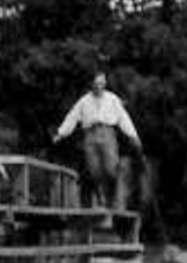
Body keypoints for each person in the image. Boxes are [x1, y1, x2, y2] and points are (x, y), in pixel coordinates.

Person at [52, 71, 142, 210]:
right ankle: (101, 198)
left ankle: (111, 198)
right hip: (90, 135)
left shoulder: (112, 99)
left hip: (107, 133)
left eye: (101, 83)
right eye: (96, 84)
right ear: (91, 84)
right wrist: (60, 134)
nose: (99, 86)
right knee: (93, 171)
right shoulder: (84, 101)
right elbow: (72, 117)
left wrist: (133, 136)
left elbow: (124, 118)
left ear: (105, 83)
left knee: (111, 169)